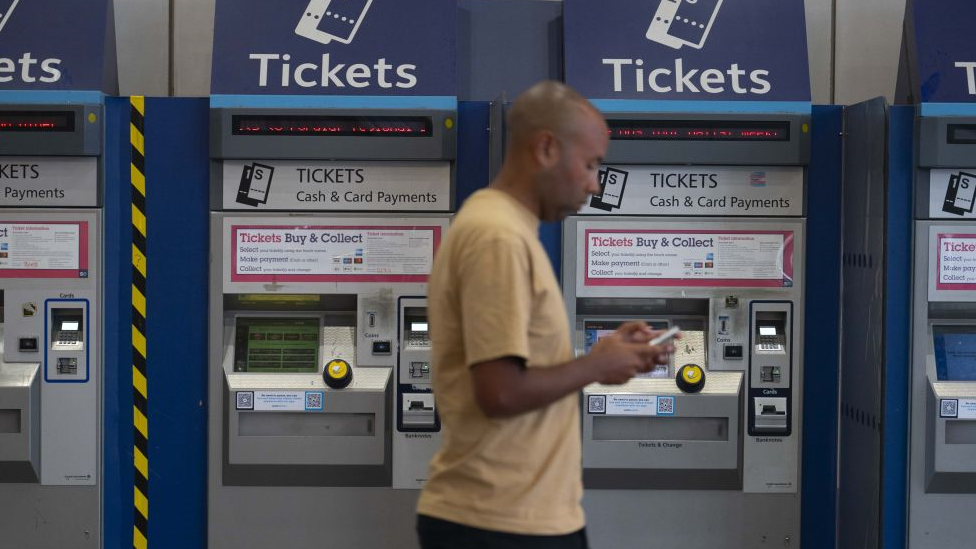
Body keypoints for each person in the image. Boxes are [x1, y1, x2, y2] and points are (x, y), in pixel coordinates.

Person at [415, 81, 674, 549]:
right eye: (592, 164)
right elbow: (499, 391)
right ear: (547, 148)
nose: (595, 183)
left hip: (520, 516)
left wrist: (610, 356)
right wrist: (596, 365)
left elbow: (522, 370)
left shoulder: (505, 229)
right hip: (501, 522)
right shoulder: (498, 237)